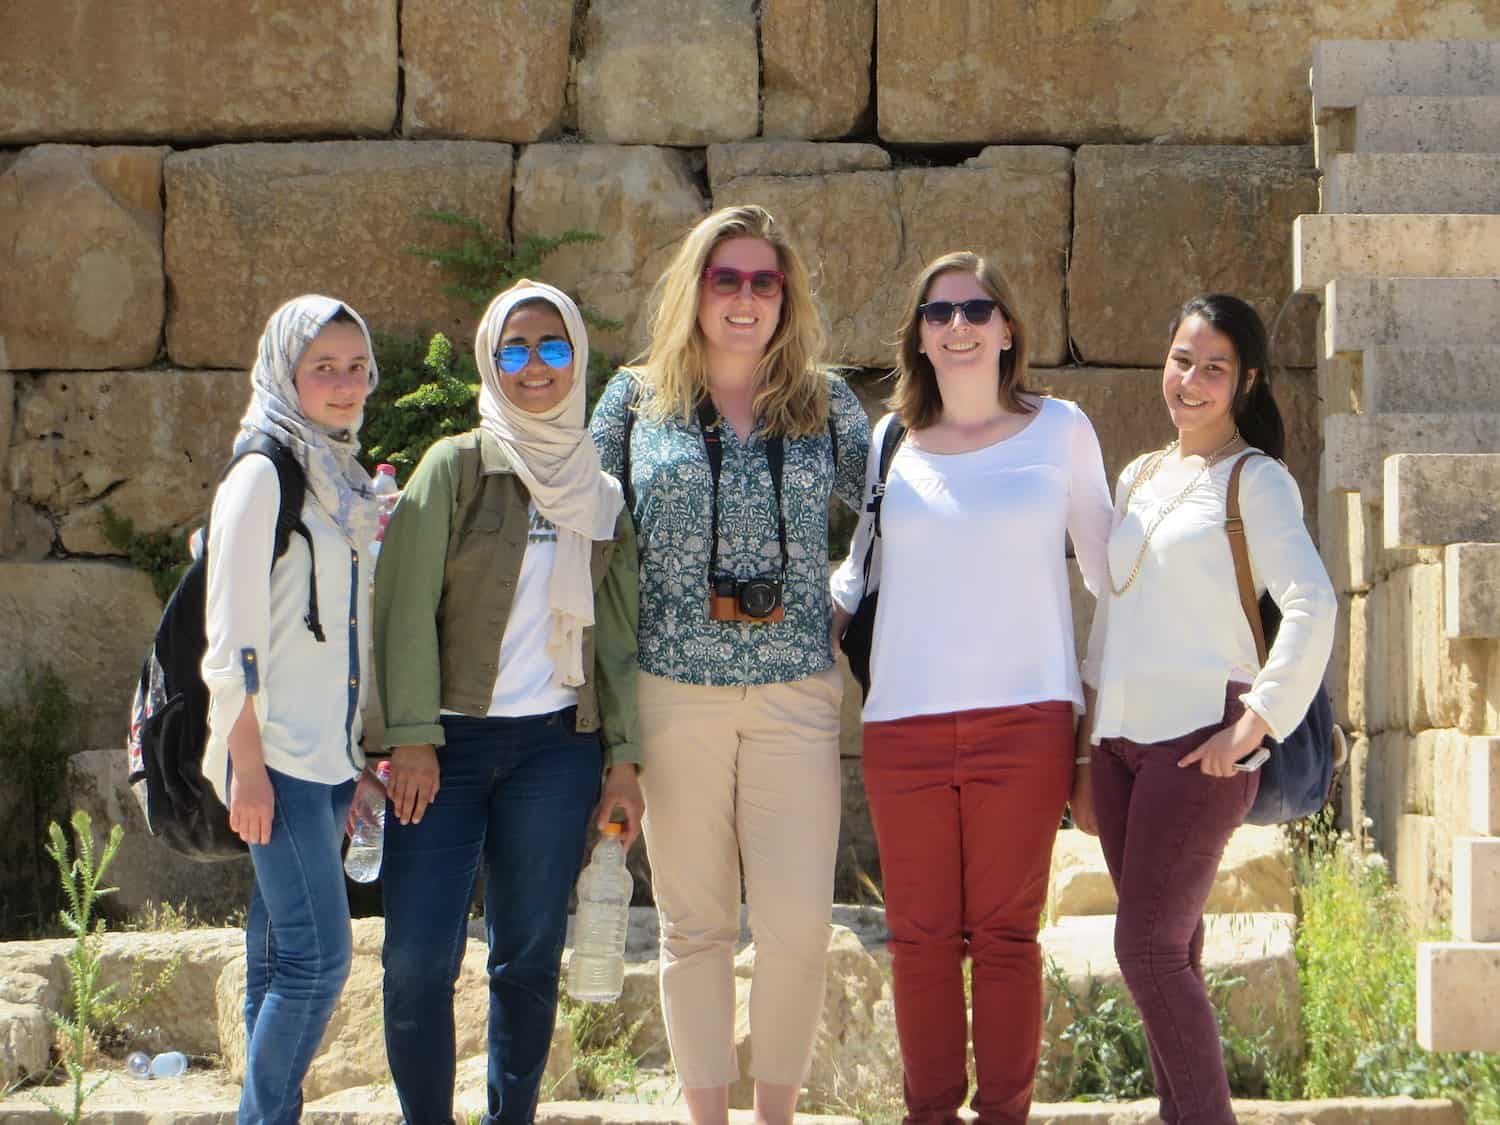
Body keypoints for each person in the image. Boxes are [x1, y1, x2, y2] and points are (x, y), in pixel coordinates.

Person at [589, 204, 870, 1125]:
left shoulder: (826, 402)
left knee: (797, 926)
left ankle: (777, 1115)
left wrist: (846, 589)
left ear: (785, 294)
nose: (745, 297)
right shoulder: (635, 401)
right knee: (694, 925)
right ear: (695, 290)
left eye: (763, 280)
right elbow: (584, 532)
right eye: (726, 278)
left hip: (794, 689)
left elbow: (895, 510)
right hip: (672, 693)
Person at [829, 251, 1113, 1125]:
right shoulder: (889, 440)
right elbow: (858, 574)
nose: (958, 325)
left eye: (976, 309)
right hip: (904, 726)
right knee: (917, 942)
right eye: (939, 310)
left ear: (1008, 328)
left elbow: (1116, 580)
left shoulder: (1062, 429)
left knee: (1003, 940)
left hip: (1025, 721)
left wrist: (1098, 712)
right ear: (918, 333)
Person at [373, 279, 642, 1125]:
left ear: (579, 360)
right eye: (515, 349)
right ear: (491, 359)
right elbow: (402, 603)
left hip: (555, 753)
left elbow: (621, 636)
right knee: (418, 956)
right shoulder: (455, 465)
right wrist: (409, 736)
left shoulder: (598, 491)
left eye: (553, 347)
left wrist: (624, 760)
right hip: (444, 750)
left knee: (528, 954)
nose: (536, 366)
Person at [1079, 293, 1336, 1125]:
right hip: (1120, 746)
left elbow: (1314, 604)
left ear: (1245, 380)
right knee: (1172, 950)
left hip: (1200, 741)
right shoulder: (1140, 475)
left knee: (1145, 950)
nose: (1190, 380)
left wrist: (1255, 721)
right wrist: (1087, 745)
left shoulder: (1256, 480)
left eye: (1213, 367)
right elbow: (1111, 614)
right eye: (1182, 359)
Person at [202, 295, 385, 1124]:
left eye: (355, 367)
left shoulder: (336, 475)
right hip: (273, 758)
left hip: (326, 760)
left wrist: (361, 762)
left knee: (276, 962)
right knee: (319, 960)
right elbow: (230, 636)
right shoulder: (263, 473)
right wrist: (245, 764)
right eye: (324, 368)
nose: (345, 385)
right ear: (286, 372)